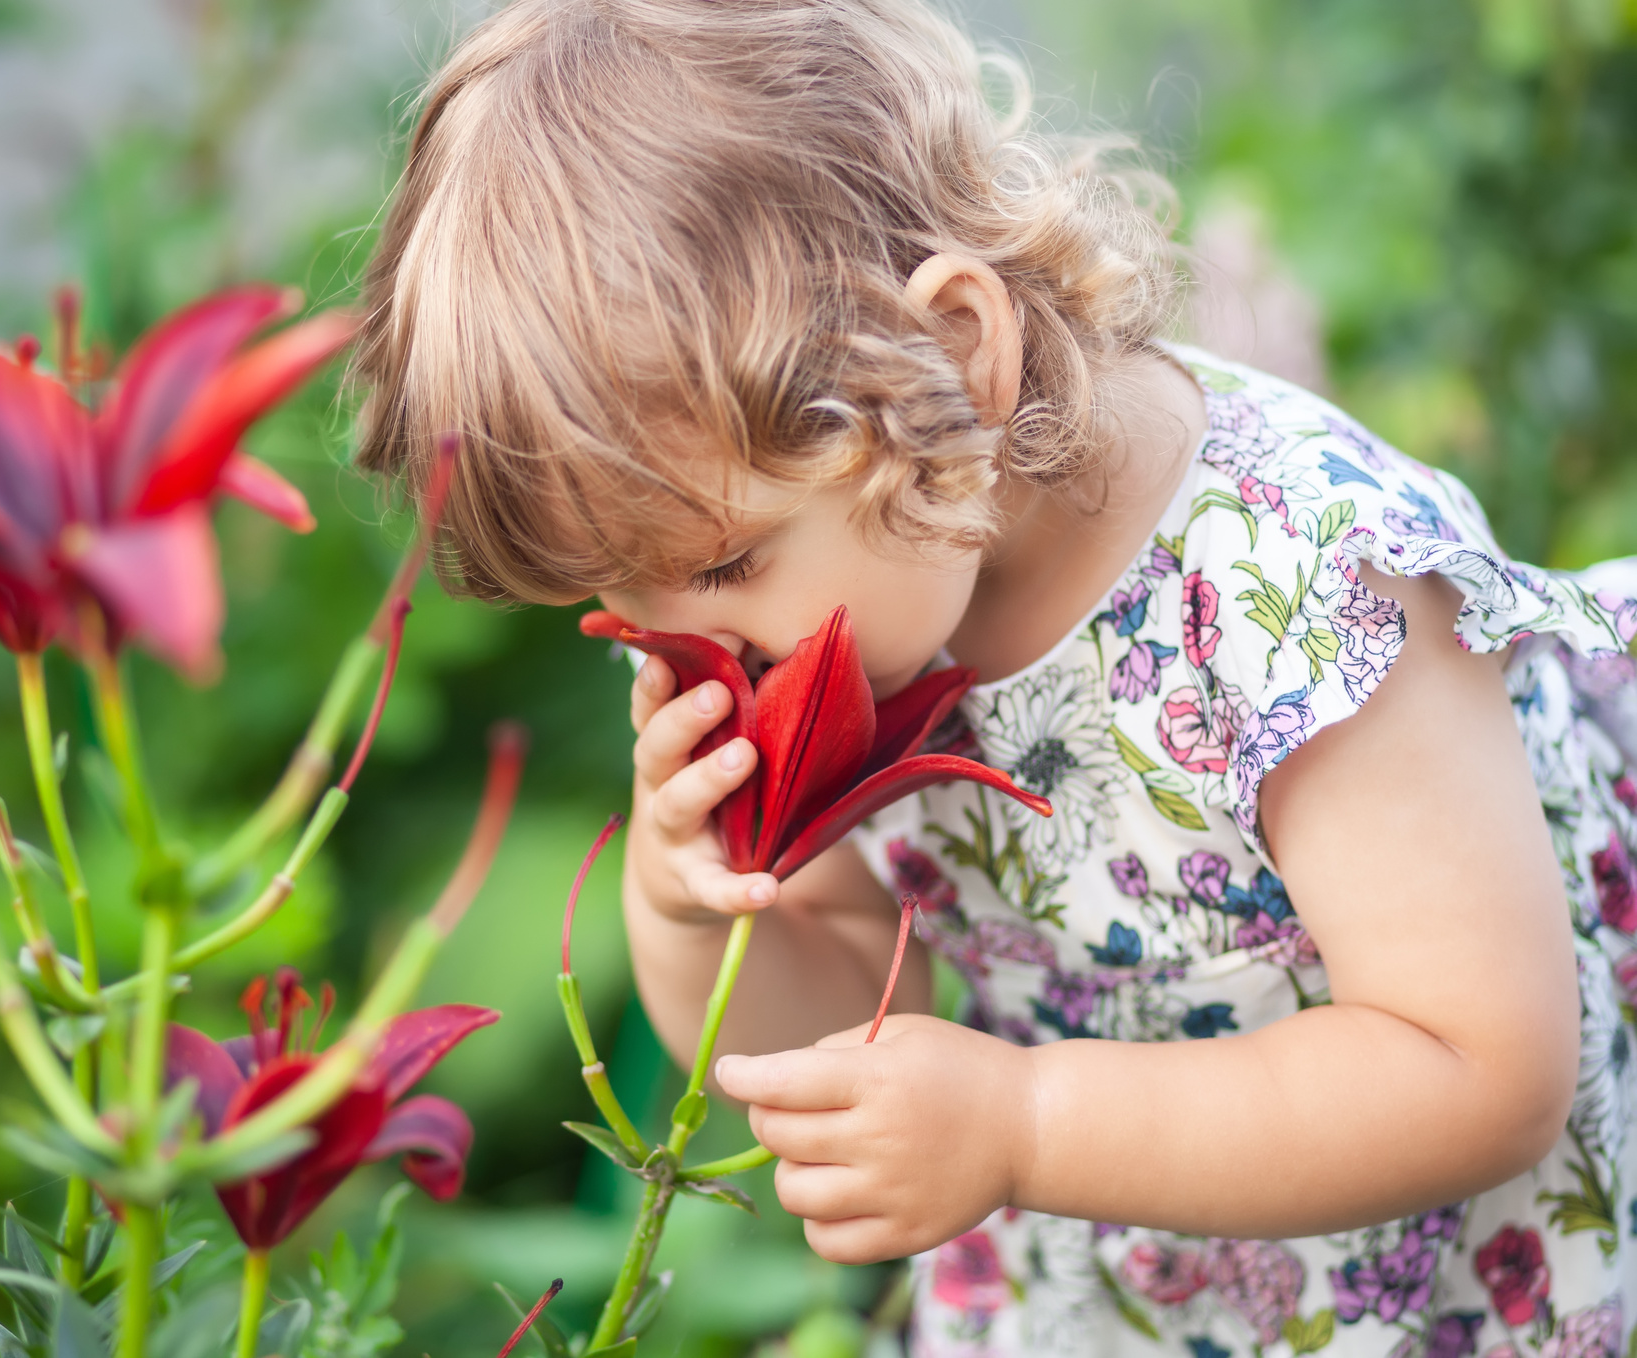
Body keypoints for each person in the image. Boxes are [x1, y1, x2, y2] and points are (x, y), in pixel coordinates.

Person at [348, 2, 1637, 1354]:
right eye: (620, 597)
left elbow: (1478, 1068)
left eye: (723, 563)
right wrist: (693, 901)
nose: (695, 651)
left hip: (1432, 1292)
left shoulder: (1297, 590)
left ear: (954, 359)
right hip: (1103, 1296)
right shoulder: (888, 592)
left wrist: (1025, 1125)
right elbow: (856, 1011)